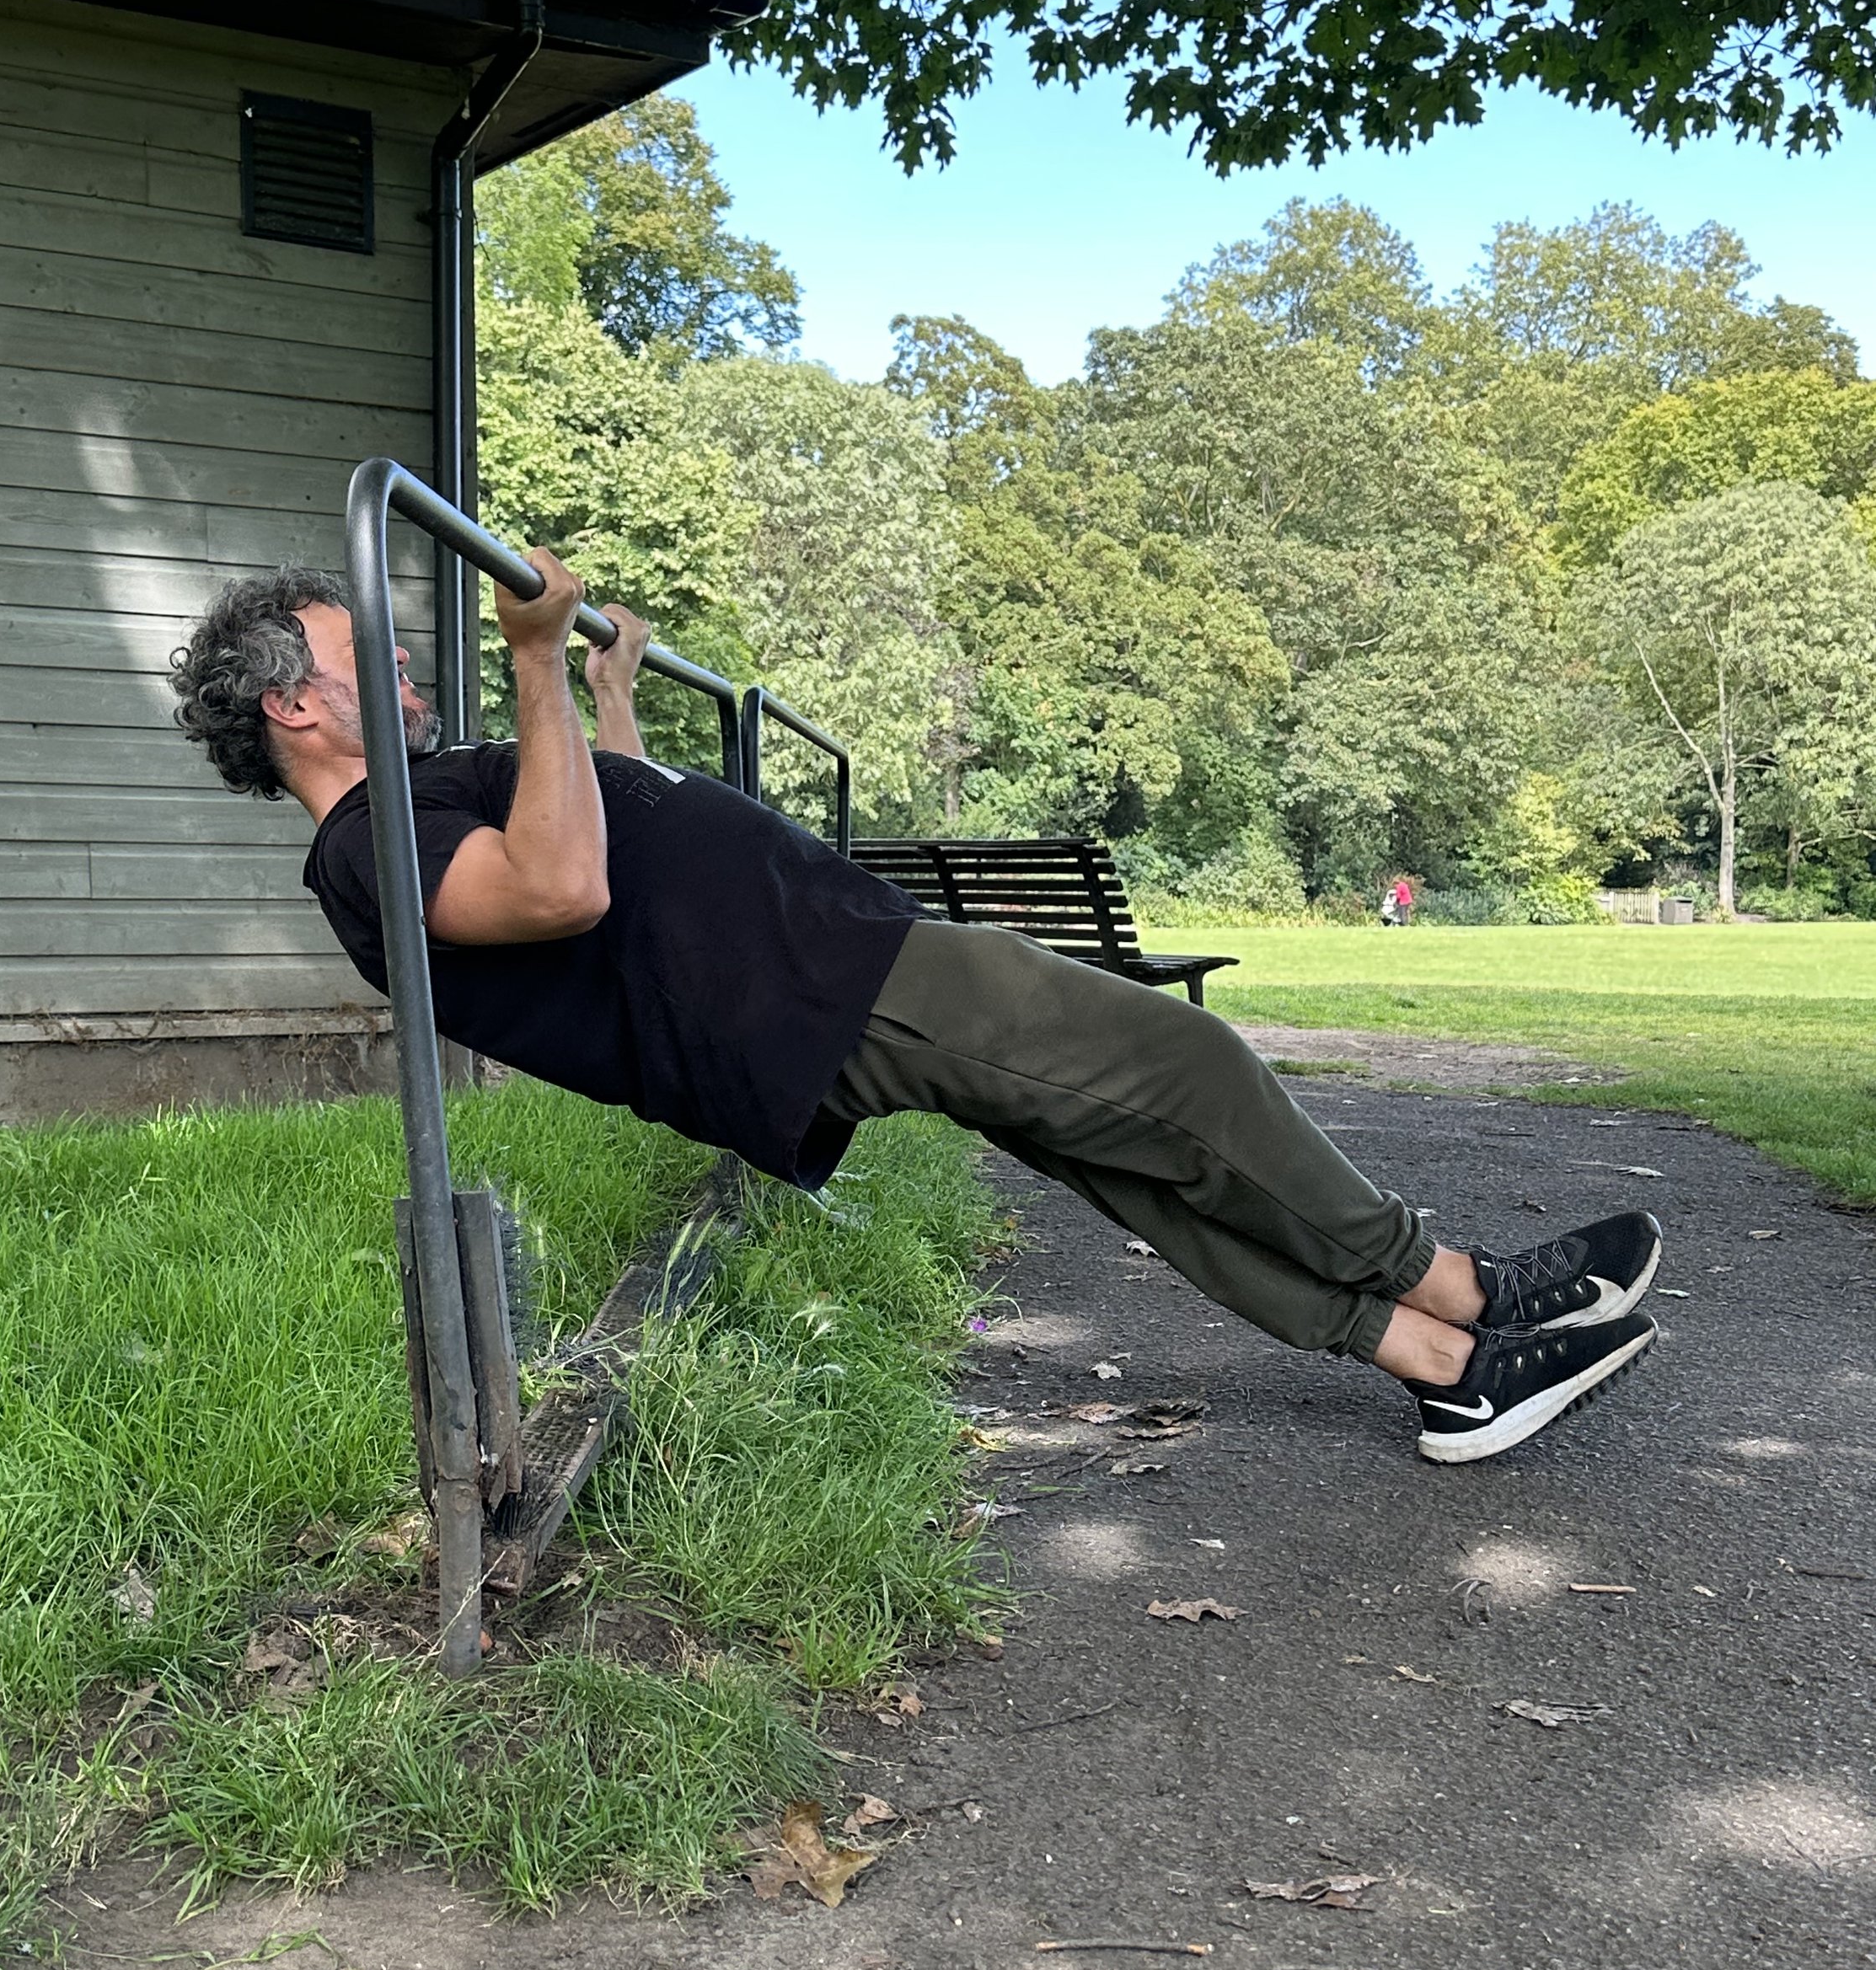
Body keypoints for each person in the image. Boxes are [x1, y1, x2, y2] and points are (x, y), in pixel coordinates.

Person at [169, 561, 1659, 1465]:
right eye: (372, 650)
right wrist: (541, 656)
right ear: (297, 704)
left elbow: (612, 823)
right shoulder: (365, 843)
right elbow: (560, 891)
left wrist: (605, 692)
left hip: (823, 967)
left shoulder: (422, 795)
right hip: (814, 996)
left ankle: (1444, 1371)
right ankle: (1450, 1286)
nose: (409, 664)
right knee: (1181, 1063)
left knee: (1130, 1152)